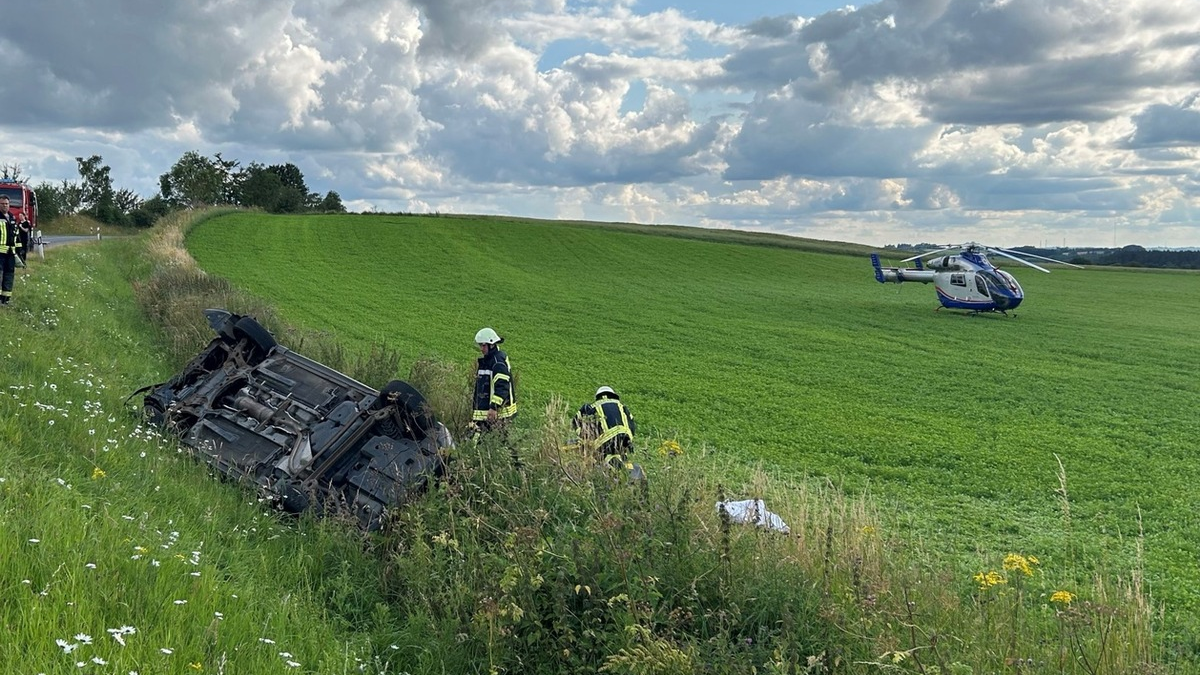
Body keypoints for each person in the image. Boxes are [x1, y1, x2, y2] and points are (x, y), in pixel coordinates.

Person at [471, 327, 517, 437]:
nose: (481, 349)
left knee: (493, 442)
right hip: (488, 415)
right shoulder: (488, 360)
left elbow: (502, 387)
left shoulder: (497, 362)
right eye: (480, 345)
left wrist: (494, 407)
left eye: (483, 345)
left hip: (496, 415)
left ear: (491, 345)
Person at [573, 386, 637, 461]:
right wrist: (629, 438)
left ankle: (611, 462)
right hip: (625, 437)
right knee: (622, 456)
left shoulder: (592, 407)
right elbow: (632, 424)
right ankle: (625, 465)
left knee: (604, 458)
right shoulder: (622, 407)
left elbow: (575, 421)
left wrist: (583, 438)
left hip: (606, 440)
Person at [0, 196, 19, 305]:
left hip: (10, 253)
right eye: (2, 204)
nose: (5, 205)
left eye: (6, 204)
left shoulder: (12, 217)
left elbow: (16, 235)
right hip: (0, 252)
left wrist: (19, 251)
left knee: (9, 275)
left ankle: (6, 299)